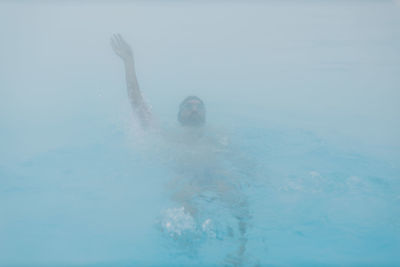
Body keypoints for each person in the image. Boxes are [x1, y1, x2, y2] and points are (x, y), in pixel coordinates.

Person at [111, 33, 250, 265]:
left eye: (198, 106)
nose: (194, 109)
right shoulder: (169, 133)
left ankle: (241, 253)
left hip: (218, 175)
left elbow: (241, 159)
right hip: (184, 179)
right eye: (188, 106)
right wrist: (129, 61)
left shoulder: (219, 136)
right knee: (184, 211)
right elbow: (137, 103)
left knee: (240, 205)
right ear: (179, 115)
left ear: (205, 114)